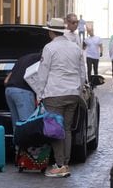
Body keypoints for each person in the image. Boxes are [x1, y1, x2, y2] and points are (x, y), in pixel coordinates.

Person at [37, 18, 85, 178]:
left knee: (55, 130)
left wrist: (39, 93)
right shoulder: (75, 47)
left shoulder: (49, 48)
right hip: (73, 93)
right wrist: (79, 89)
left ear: (51, 32)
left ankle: (59, 165)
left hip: (55, 93)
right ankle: (65, 163)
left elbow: (43, 72)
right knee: (66, 129)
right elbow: (82, 72)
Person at [4, 52, 41, 132]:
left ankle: (18, 144)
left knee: (17, 125)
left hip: (9, 90)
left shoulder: (22, 58)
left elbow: (6, 80)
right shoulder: (41, 59)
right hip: (23, 91)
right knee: (27, 124)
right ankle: (27, 144)